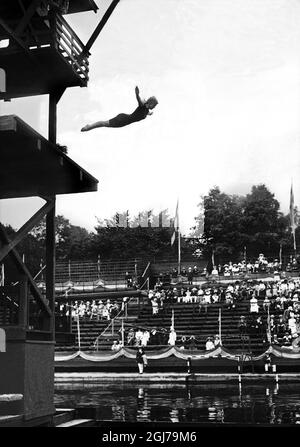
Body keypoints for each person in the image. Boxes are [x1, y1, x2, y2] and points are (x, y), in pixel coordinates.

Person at [81, 86, 158, 131]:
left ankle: (89, 126)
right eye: (154, 105)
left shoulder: (146, 110)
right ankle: (89, 127)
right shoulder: (142, 106)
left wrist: (150, 113)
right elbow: (139, 99)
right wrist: (137, 94)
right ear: (151, 103)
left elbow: (146, 113)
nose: (154, 107)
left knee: (104, 124)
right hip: (122, 120)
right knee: (104, 123)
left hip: (124, 120)